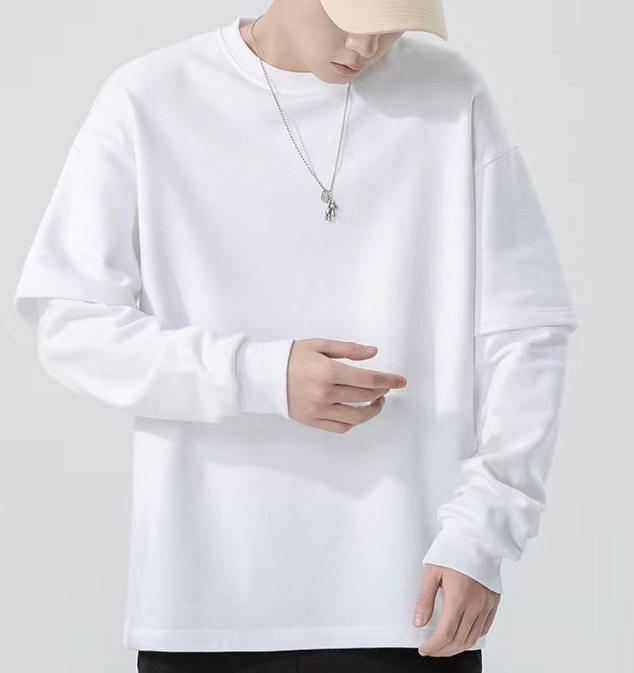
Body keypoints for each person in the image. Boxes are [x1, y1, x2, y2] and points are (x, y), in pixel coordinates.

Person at [12, 0, 578, 671]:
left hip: (409, 600)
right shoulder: (150, 99)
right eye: (349, 16)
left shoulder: (451, 96)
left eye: (392, 22)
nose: (368, 44)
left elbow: (527, 330)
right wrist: (259, 376)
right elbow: (71, 323)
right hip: (207, 610)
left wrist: (485, 531)